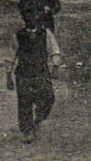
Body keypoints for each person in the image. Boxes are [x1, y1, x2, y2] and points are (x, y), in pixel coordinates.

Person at [7, 7, 62, 143]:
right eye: (28, 17)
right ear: (24, 19)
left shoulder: (46, 34)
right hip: (24, 73)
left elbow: (54, 50)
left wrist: (55, 66)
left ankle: (39, 117)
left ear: (39, 18)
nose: (31, 20)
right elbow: (10, 56)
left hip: (41, 71)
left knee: (48, 97)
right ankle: (27, 130)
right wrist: (8, 76)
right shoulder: (18, 36)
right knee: (24, 101)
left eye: (34, 16)